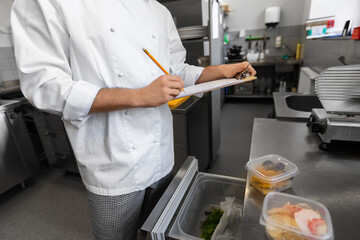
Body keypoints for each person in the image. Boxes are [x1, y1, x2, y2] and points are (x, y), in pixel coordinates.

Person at [11, 0, 256, 239]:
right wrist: (139, 96)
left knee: (158, 230)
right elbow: (44, 86)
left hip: (161, 155)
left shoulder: (157, 10)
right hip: (114, 165)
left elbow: (174, 71)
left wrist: (220, 71)